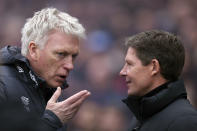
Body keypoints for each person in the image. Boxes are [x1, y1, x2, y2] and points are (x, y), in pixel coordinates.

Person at [0, 8, 90, 131]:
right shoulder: (3, 85)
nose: (70, 65)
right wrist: (51, 121)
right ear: (33, 50)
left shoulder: (54, 95)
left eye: (73, 56)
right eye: (60, 54)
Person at [120, 30, 197, 131]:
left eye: (130, 64)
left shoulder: (184, 121)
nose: (122, 72)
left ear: (154, 67)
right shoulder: (140, 118)